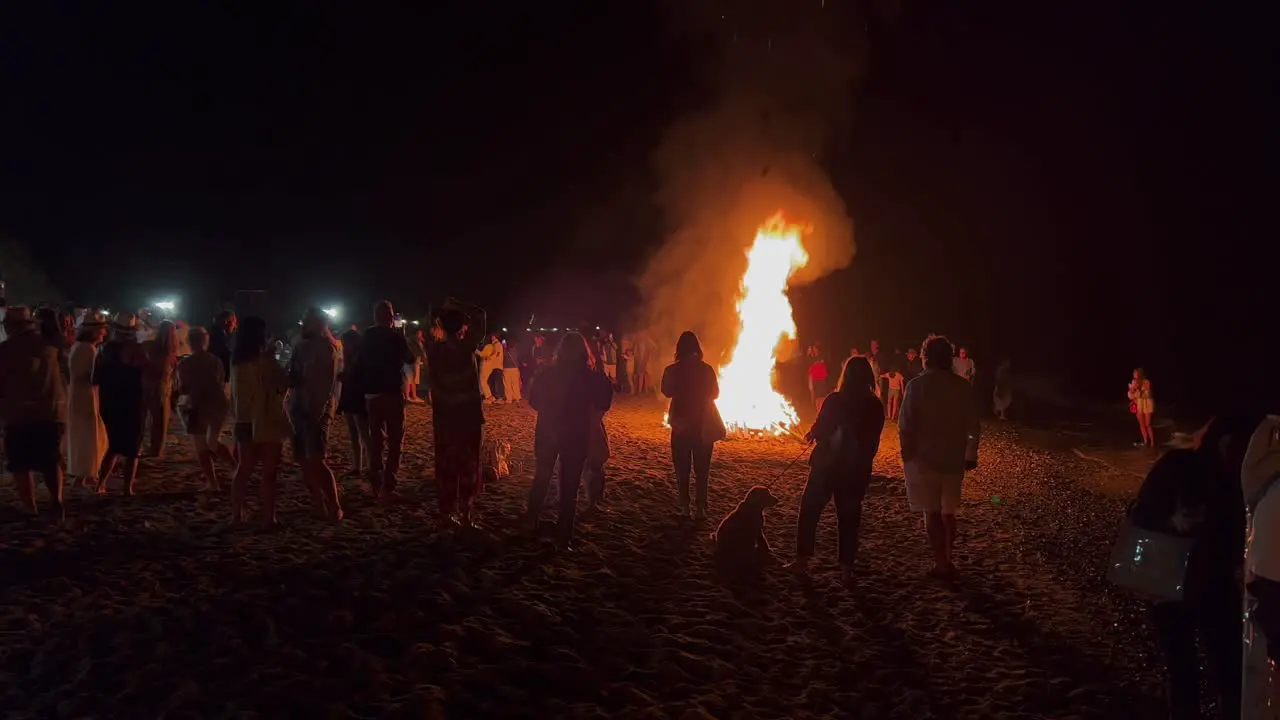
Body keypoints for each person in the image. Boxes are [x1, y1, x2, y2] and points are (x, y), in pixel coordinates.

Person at [1131, 413, 1260, 719]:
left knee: (1229, 666)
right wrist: (1172, 520)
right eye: (1238, 445)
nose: (1242, 453)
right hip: (1171, 581)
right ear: (1221, 441)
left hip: (1216, 584)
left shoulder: (1243, 478)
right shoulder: (1178, 465)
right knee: (1182, 667)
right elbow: (1139, 514)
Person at [786, 357, 885, 584]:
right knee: (849, 517)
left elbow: (821, 429)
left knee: (810, 510)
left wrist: (813, 434)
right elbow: (872, 443)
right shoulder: (874, 405)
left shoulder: (834, 400)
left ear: (845, 376)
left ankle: (802, 561)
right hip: (855, 470)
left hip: (826, 466)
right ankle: (846, 570)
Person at [523, 332, 615, 549]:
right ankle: (564, 536)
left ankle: (531, 522)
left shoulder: (547, 374)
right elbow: (605, 399)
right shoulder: (593, 377)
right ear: (585, 353)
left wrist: (551, 411)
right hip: (576, 434)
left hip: (548, 431)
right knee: (569, 486)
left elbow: (534, 401)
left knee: (542, 477)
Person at [898, 335, 979, 580]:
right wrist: (970, 453)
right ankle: (948, 557)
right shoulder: (963, 387)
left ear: (925, 358)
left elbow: (905, 425)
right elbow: (974, 426)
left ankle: (941, 562)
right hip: (953, 458)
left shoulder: (916, 386)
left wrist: (906, 453)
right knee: (948, 512)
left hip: (924, 460)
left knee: (931, 512)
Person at [0, 306, 67, 520]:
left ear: (10, 326)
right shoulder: (51, 346)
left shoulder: (6, 349)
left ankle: (31, 506)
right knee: (50, 460)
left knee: (20, 463)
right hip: (51, 411)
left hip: (18, 413)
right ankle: (56, 499)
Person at [427, 298, 487, 528]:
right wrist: (461, 304)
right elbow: (481, 315)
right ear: (463, 326)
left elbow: (428, 316)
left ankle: (446, 513)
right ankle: (465, 515)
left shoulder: (434, 350)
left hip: (444, 419)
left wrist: (440, 311)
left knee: (446, 466)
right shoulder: (466, 348)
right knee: (469, 466)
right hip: (469, 417)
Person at [229, 316, 293, 527]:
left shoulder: (237, 361)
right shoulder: (265, 361)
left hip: (244, 420)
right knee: (269, 472)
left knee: (243, 471)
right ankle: (269, 517)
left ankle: (237, 515)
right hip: (266, 420)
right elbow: (282, 382)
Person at [288, 308, 343, 521]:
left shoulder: (326, 348)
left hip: (317, 409)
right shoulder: (300, 347)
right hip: (298, 407)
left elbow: (327, 383)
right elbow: (293, 376)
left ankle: (334, 504)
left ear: (319, 324)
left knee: (317, 459)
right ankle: (317, 503)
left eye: (307, 321)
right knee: (303, 459)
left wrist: (318, 410)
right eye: (303, 321)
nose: (304, 325)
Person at [359, 301, 415, 501]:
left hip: (371, 394)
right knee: (395, 440)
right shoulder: (395, 337)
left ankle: (375, 482)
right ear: (391, 318)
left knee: (376, 440)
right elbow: (410, 358)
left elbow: (359, 360)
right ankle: (388, 486)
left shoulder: (367, 336)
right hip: (392, 392)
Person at [661, 331, 720, 520]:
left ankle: (685, 507)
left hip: (680, 425)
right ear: (697, 348)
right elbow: (715, 394)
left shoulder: (672, 370)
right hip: (702, 424)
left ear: (679, 350)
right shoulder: (707, 369)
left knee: (682, 470)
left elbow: (666, 391)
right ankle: (701, 508)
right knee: (702, 470)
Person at [95, 312, 148, 496]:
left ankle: (101, 484)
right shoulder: (137, 350)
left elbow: (97, 375)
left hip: (110, 400)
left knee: (112, 446)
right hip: (133, 401)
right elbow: (146, 371)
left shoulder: (105, 349)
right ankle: (127, 488)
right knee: (133, 448)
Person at [175, 326, 231, 491]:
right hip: (217, 403)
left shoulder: (185, 363)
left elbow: (183, 388)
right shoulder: (215, 360)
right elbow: (221, 381)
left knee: (201, 446)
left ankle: (213, 482)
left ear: (188, 343)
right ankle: (234, 467)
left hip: (197, 406)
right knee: (212, 441)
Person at [66, 312, 109, 489]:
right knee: (89, 434)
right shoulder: (88, 350)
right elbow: (90, 376)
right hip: (86, 395)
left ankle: (85, 475)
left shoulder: (78, 346)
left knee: (85, 434)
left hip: (78, 393)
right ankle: (85, 475)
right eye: (102, 331)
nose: (104, 334)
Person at [140, 320, 179, 458]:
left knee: (142, 418)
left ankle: (139, 446)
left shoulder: (148, 346)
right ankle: (156, 449)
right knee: (160, 421)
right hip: (162, 387)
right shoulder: (171, 352)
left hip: (145, 384)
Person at [337, 327, 370, 479]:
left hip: (357, 398)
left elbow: (359, 379)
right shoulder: (351, 357)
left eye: (345, 343)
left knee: (364, 433)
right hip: (350, 397)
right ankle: (357, 466)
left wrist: (345, 376)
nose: (344, 347)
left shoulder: (360, 358)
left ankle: (369, 466)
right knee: (354, 434)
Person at [1129, 368, 1156, 447]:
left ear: (1139, 374)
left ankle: (1152, 442)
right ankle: (1145, 441)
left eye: (1135, 373)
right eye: (1133, 373)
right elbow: (1131, 395)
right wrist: (1131, 390)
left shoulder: (1146, 382)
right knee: (1142, 424)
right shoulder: (1133, 382)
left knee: (1148, 424)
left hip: (1147, 404)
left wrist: (1136, 390)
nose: (1134, 374)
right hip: (1139, 404)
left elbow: (1146, 394)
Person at [209, 311, 236, 387]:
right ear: (226, 322)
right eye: (234, 322)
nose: (235, 326)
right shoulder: (218, 337)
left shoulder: (217, 335)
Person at [475, 333, 504, 403]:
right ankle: (491, 397)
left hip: (494, 365)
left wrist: (488, 357)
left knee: (484, 381)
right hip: (493, 365)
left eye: (493, 336)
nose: (492, 338)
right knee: (488, 381)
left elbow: (496, 354)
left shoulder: (495, 345)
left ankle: (491, 397)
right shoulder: (493, 345)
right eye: (492, 336)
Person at [404, 327, 426, 404]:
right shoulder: (413, 340)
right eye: (420, 333)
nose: (421, 334)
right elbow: (417, 351)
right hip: (412, 361)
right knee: (409, 379)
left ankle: (413, 396)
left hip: (414, 360)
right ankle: (408, 396)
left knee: (412, 380)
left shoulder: (415, 340)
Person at [807, 345, 829, 412]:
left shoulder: (822, 357)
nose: (814, 350)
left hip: (821, 379)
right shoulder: (811, 359)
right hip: (815, 379)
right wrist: (810, 383)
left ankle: (822, 411)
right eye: (813, 349)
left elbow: (824, 366)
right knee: (816, 397)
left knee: (821, 397)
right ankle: (818, 412)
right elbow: (810, 372)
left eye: (815, 349)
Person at [501, 337, 522, 404]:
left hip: (507, 368)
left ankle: (509, 399)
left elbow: (503, 358)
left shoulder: (505, 351)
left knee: (507, 384)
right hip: (515, 368)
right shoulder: (516, 350)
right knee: (515, 384)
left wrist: (504, 346)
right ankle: (517, 398)